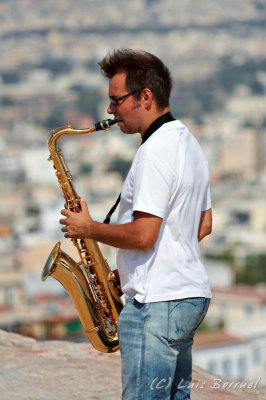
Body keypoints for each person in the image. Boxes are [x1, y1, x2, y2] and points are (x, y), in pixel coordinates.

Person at [59, 48, 212, 400]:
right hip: (187, 296)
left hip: (157, 304)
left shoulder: (155, 151)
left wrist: (88, 228)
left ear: (145, 97)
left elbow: (144, 236)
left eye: (116, 101)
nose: (110, 111)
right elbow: (203, 225)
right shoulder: (188, 142)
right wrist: (134, 267)